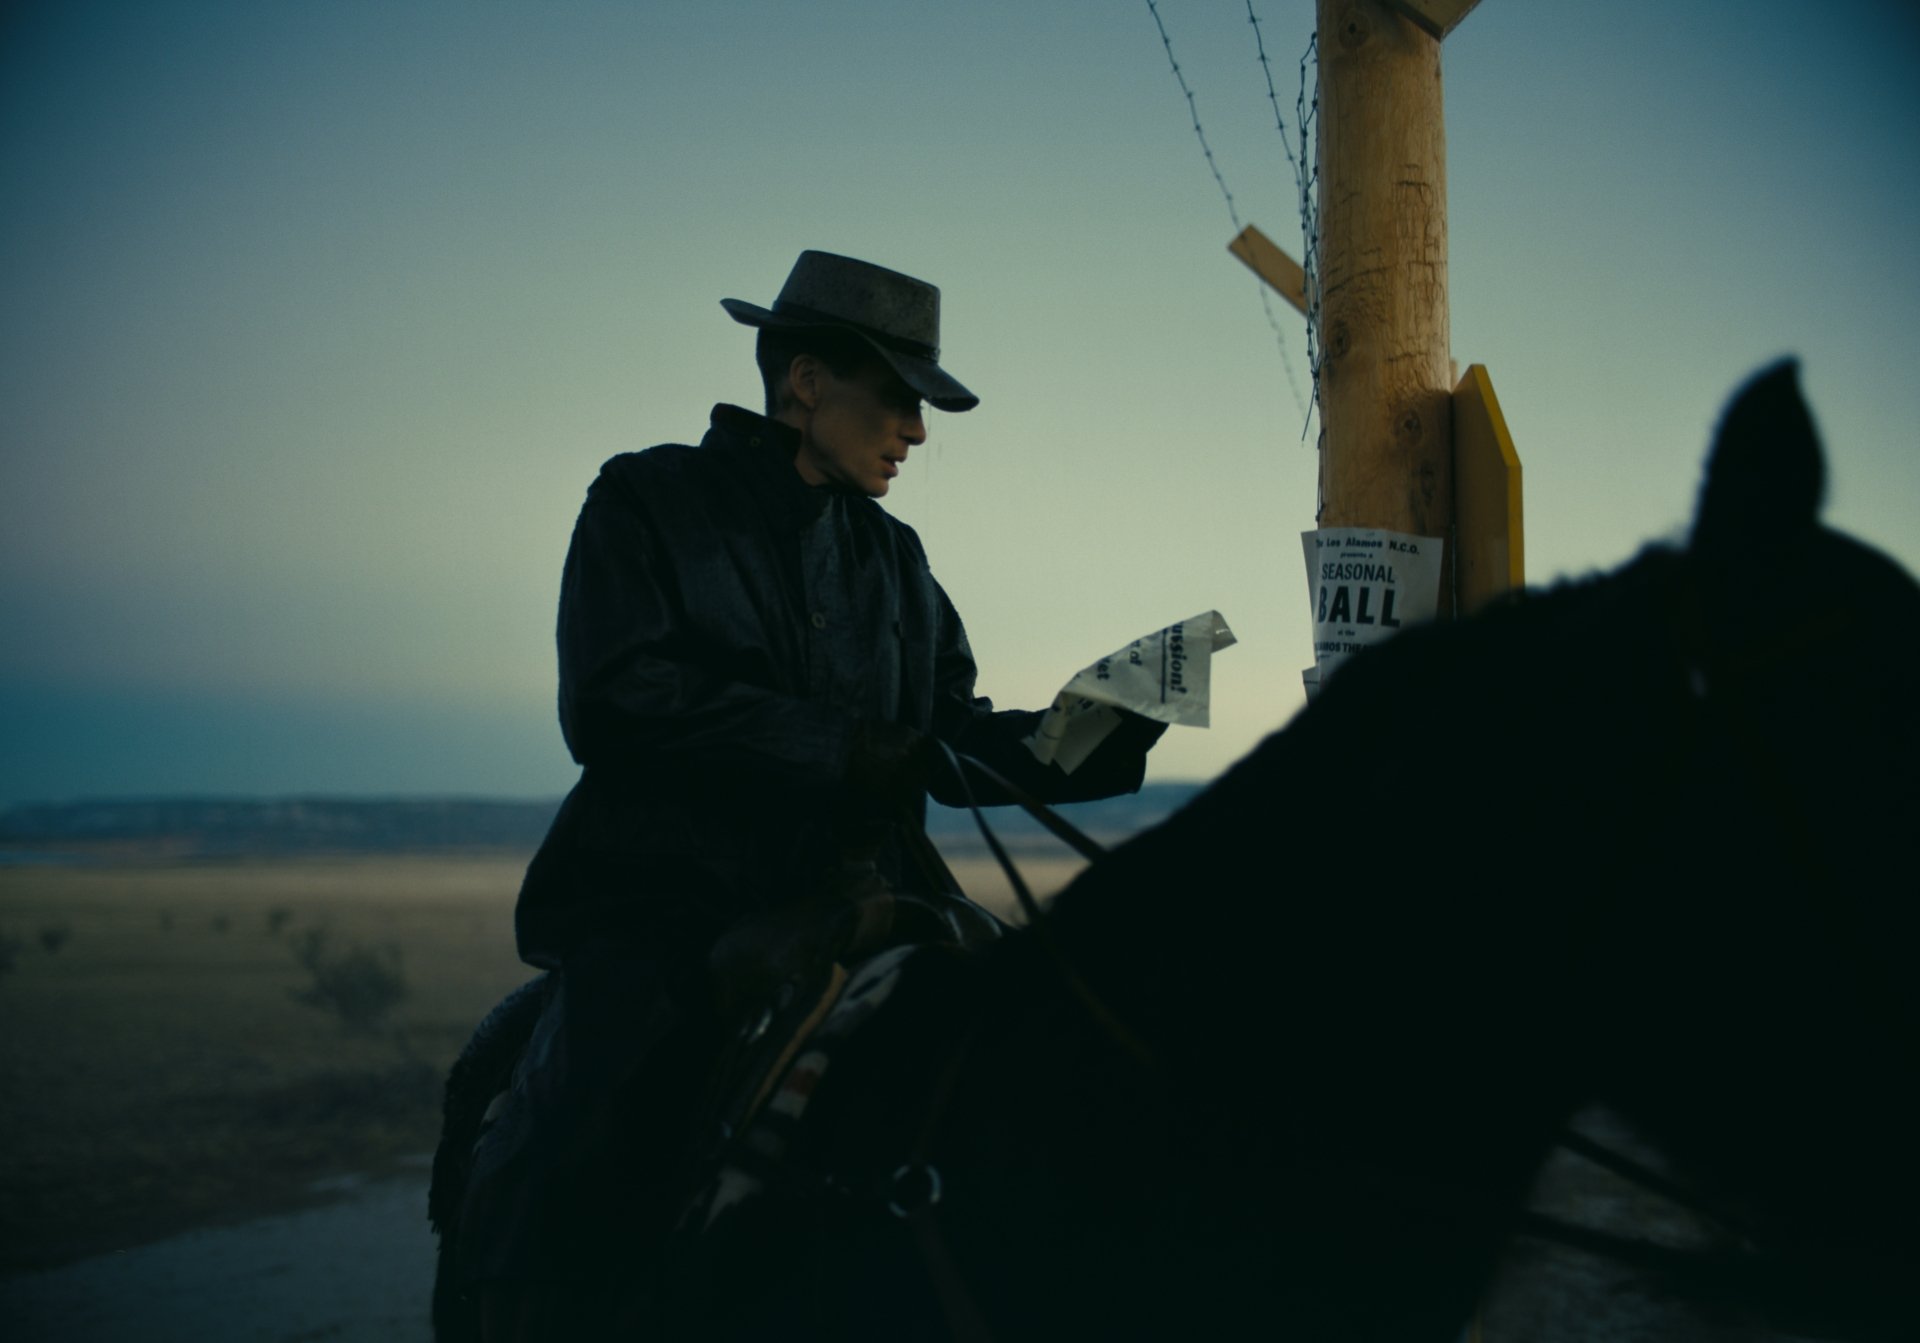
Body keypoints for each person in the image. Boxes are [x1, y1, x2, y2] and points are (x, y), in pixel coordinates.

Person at [453, 250, 1165, 1326]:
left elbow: (948, 734)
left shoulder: (898, 559)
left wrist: (1095, 734)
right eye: (898, 398)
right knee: (582, 1126)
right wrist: (851, 749)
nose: (916, 431)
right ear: (805, 382)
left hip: (874, 896)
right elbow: (617, 699)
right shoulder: (645, 499)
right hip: (671, 902)